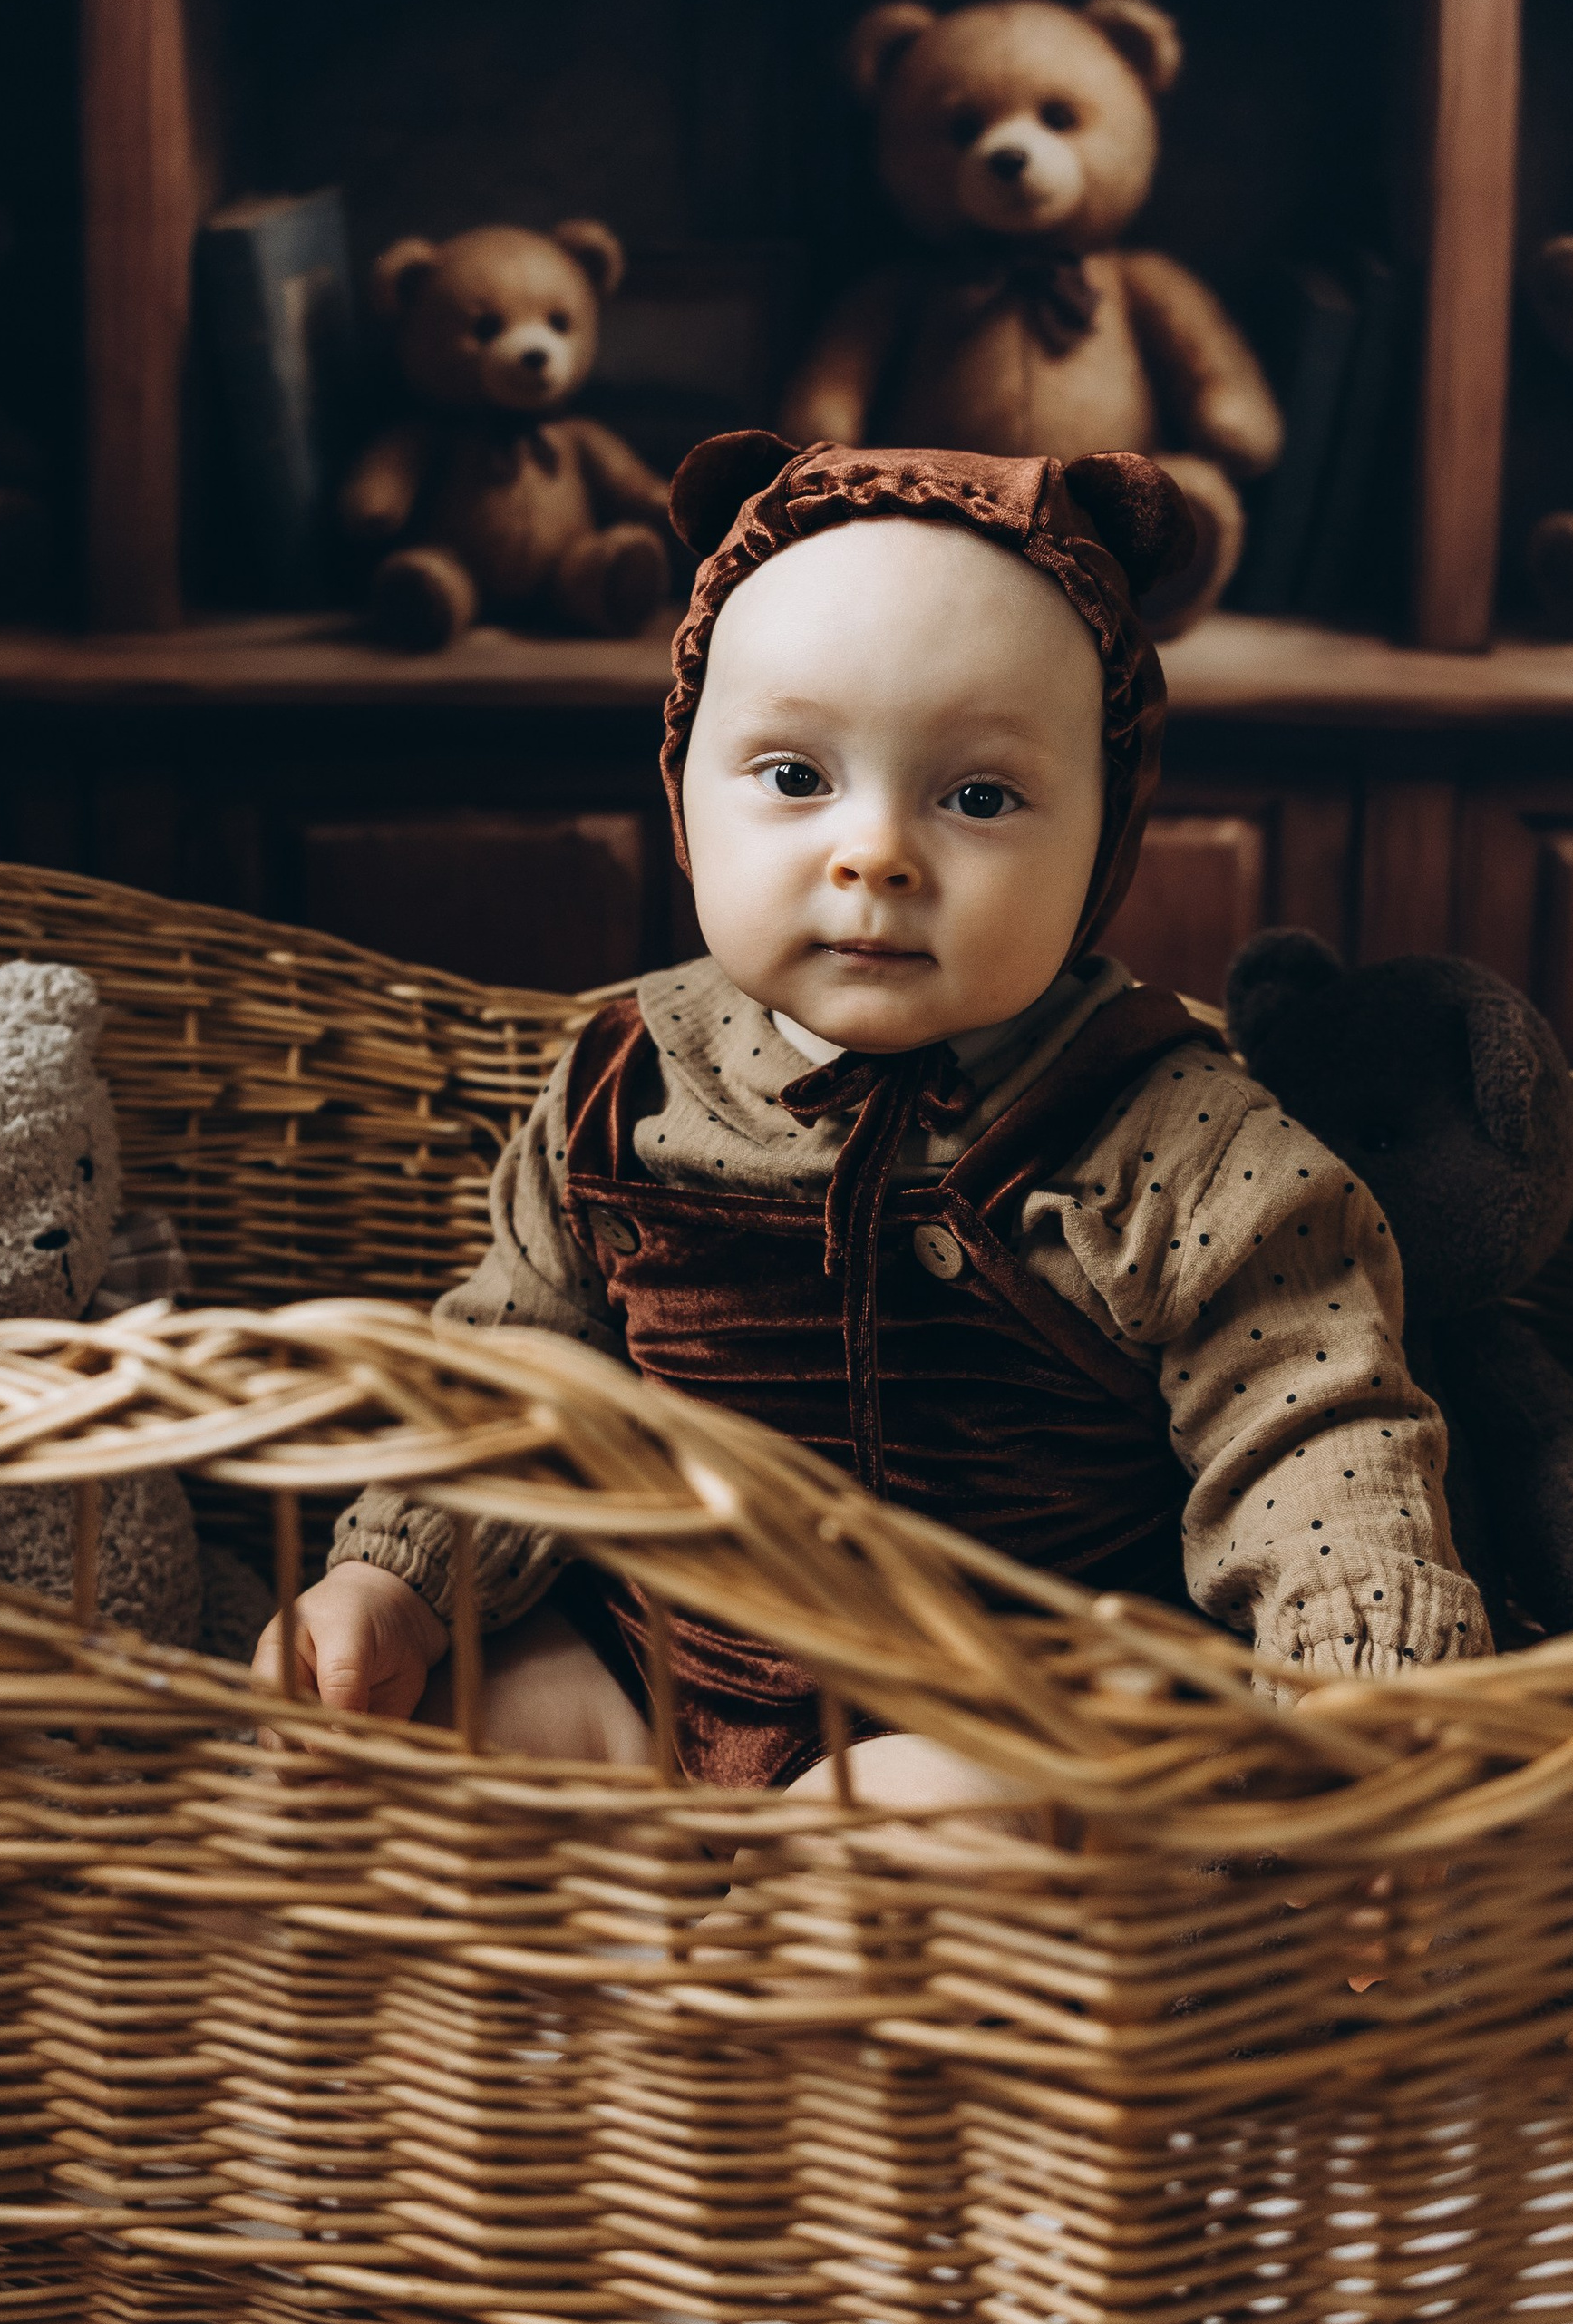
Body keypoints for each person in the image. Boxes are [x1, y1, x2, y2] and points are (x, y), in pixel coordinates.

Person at [257, 433, 1490, 1803]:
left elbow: (1315, 1434)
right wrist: (399, 1578)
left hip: (1016, 1712)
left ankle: (741, 1972)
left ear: (1105, 838)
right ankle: (620, 1960)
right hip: (651, 1663)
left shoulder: (1188, 1148)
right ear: (683, 793)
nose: (876, 854)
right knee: (399, 1746)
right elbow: (514, 1376)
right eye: (794, 777)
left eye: (978, 797)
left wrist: (1367, 1711)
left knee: (929, 1830)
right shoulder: (626, 1081)